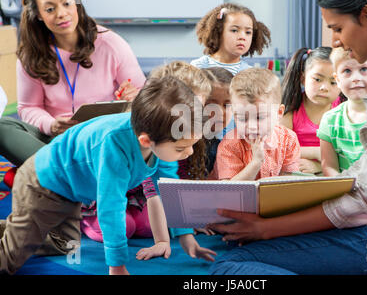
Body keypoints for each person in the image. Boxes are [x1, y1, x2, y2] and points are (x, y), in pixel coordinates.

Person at [206, 0, 367, 275]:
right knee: (246, 249)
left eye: (337, 28)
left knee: (232, 265)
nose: (334, 41)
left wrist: (267, 228)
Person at [0, 76, 216, 275]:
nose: (187, 153)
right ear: (146, 141)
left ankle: (18, 228)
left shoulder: (159, 137)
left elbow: (168, 188)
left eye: (192, 146)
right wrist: (117, 266)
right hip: (43, 183)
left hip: (71, 191)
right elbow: (111, 208)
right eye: (181, 149)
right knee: (11, 256)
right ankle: (19, 232)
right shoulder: (114, 145)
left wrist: (185, 236)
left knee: (64, 244)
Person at [0, 0, 145, 170]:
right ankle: (68, 172)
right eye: (50, 9)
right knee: (3, 127)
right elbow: (28, 108)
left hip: (104, 138)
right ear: (39, 15)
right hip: (56, 141)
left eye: (66, 3)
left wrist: (134, 95)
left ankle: (53, 173)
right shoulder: (31, 55)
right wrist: (51, 124)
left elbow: (144, 96)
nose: (61, 14)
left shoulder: (111, 43)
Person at [80, 61, 213, 243]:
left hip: (142, 198)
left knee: (148, 227)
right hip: (109, 194)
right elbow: (118, 189)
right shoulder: (142, 135)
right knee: (124, 226)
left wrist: (186, 219)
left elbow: (170, 183)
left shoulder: (190, 134)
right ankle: (85, 219)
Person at [211, 68, 301, 181]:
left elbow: (289, 181)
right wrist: (256, 163)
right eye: (242, 118)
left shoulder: (288, 139)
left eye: (259, 117)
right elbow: (230, 191)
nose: (251, 126)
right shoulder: (229, 145)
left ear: (279, 113)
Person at [318, 48, 367, 176]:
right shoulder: (330, 120)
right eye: (347, 71)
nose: (355, 78)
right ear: (337, 80)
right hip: (345, 190)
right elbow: (329, 166)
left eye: (364, 69)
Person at [280, 47, 342, 174]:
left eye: (333, 82)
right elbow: (279, 149)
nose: (324, 87)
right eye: (318, 79)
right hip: (297, 174)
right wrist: (317, 152)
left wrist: (319, 164)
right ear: (303, 79)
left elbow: (347, 152)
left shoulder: (343, 110)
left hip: (333, 173)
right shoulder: (291, 110)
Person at [191, 3, 271, 76]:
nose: (242, 37)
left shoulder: (250, 74)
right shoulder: (198, 67)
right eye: (234, 30)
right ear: (218, 31)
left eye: (248, 32)